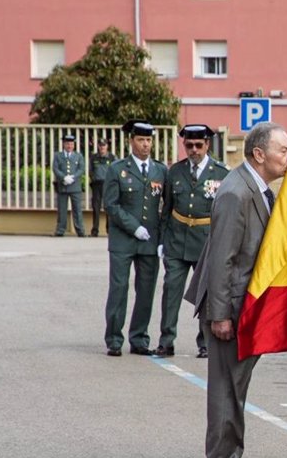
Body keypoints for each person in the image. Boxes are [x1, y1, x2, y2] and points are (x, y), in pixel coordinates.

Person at [186, 121, 287, 458]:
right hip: (228, 309)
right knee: (226, 392)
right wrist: (220, 316)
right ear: (259, 154)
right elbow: (222, 260)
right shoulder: (235, 192)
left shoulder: (259, 189)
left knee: (234, 390)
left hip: (243, 308)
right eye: (283, 151)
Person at [156, 124, 229, 359]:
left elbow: (224, 213)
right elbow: (166, 209)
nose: (194, 150)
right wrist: (162, 241)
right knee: (171, 291)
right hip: (177, 241)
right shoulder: (174, 172)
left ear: (207, 145)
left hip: (206, 242)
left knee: (205, 294)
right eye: (189, 145)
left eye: (199, 145)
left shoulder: (221, 173)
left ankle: (205, 343)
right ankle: (166, 341)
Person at [102, 120, 168, 357]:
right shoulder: (117, 169)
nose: (145, 145)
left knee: (146, 290)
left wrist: (161, 238)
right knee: (119, 289)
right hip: (123, 239)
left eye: (149, 140)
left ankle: (139, 338)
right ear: (131, 141)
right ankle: (114, 339)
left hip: (149, 240)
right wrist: (134, 227)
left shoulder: (160, 170)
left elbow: (166, 207)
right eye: (141, 140)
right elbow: (110, 204)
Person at [52, 133, 86, 237]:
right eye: (67, 144)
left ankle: (80, 231)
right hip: (62, 186)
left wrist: (73, 177)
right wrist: (63, 177)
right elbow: (55, 168)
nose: (69, 146)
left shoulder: (78, 156)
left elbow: (81, 169)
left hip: (75, 186)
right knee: (62, 210)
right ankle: (60, 230)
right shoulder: (58, 155)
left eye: (71, 144)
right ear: (64, 144)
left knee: (77, 210)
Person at [88, 139, 114, 237]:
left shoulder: (111, 157)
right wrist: (94, 178)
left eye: (104, 145)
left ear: (107, 146)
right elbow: (90, 170)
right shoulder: (94, 157)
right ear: (98, 146)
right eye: (100, 145)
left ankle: (110, 230)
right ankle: (95, 230)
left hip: (108, 185)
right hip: (96, 185)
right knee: (96, 208)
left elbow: (115, 171)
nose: (102, 147)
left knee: (109, 208)